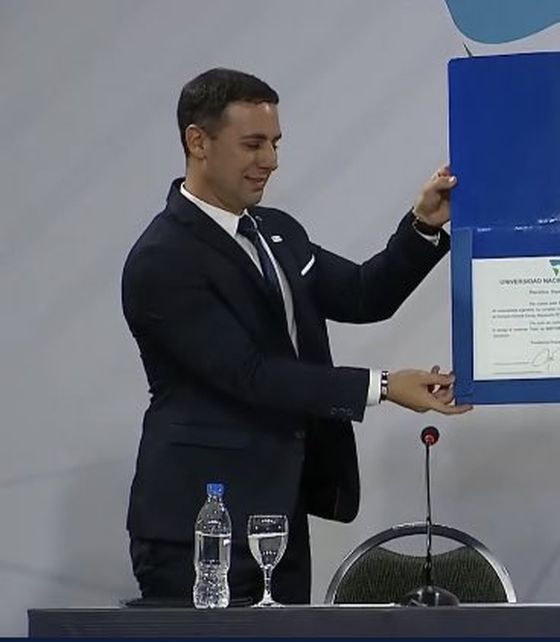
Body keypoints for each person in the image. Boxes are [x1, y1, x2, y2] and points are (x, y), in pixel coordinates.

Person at [121, 67, 471, 605]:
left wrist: (423, 226)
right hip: (198, 527)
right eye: (253, 144)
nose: (271, 161)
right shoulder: (162, 260)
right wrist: (381, 386)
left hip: (274, 520)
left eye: (275, 143)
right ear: (198, 141)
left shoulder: (276, 231)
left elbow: (360, 295)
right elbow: (250, 375)